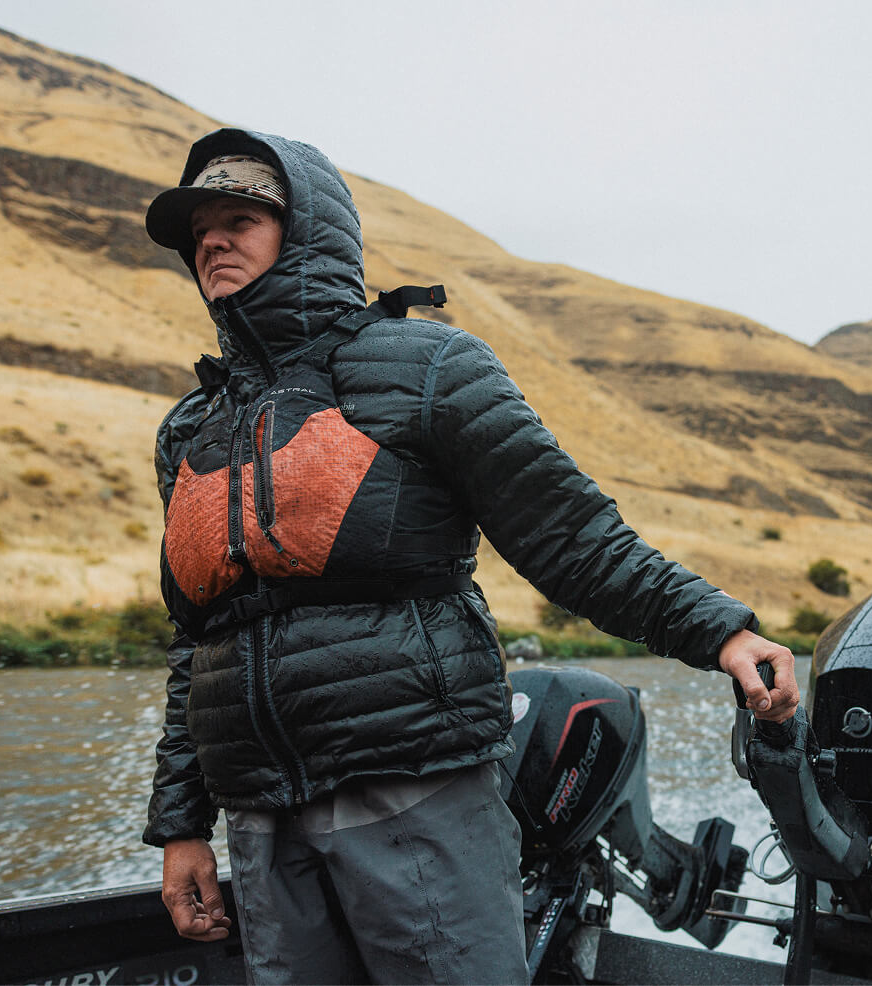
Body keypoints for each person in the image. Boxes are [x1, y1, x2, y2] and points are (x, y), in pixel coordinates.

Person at [141, 127, 800, 985]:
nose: (213, 243)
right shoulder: (192, 430)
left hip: (414, 789)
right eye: (199, 234)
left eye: (240, 219)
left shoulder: (427, 368)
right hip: (261, 819)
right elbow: (199, 643)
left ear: (307, 233)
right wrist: (182, 828)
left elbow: (570, 537)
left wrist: (722, 634)